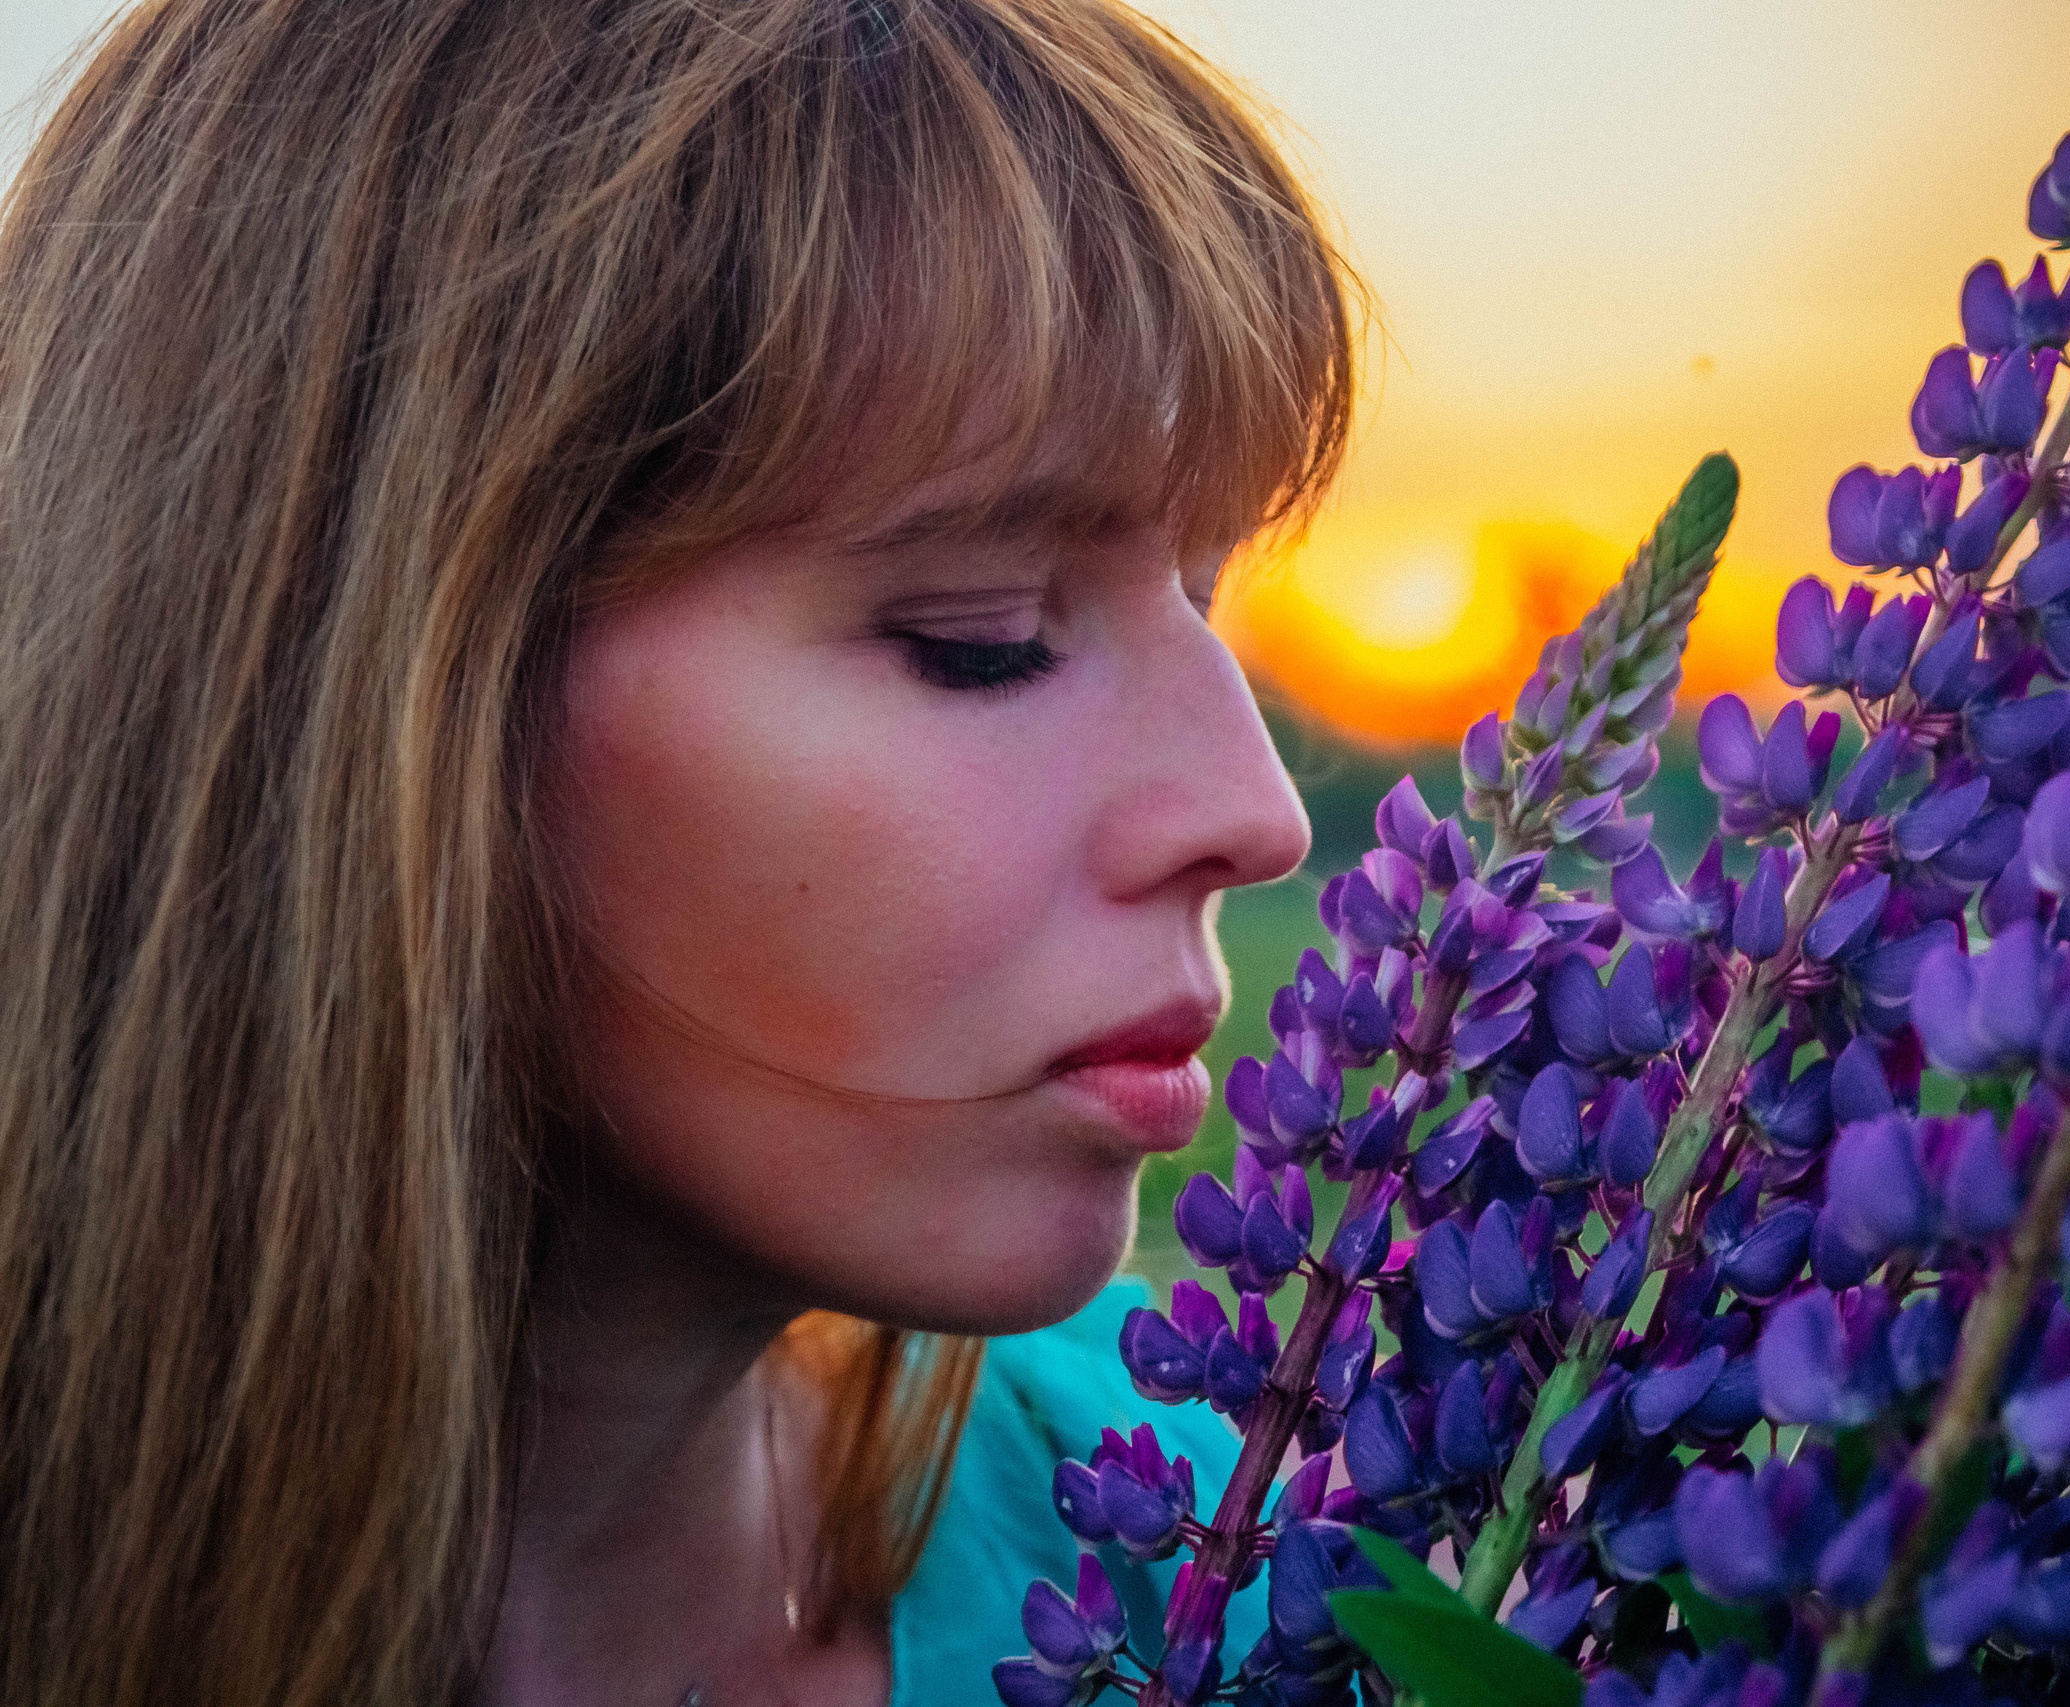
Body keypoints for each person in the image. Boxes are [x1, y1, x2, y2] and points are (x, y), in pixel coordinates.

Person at [0, 1, 1356, 1702]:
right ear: (373, 709)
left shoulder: (1245, 1552)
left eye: (1206, 594)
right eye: (982, 633)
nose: (1255, 810)